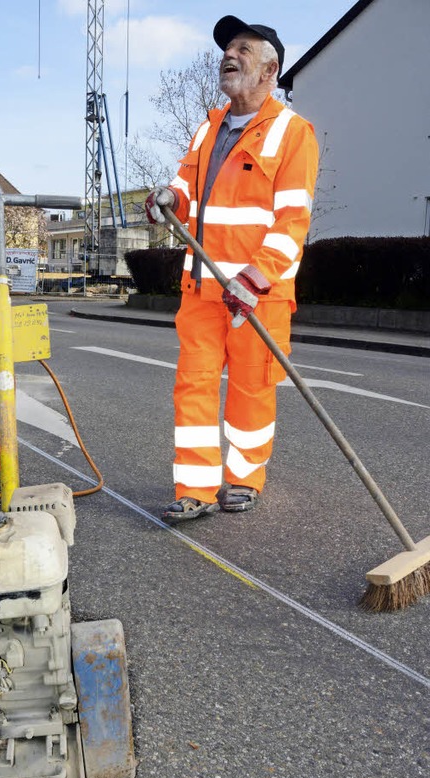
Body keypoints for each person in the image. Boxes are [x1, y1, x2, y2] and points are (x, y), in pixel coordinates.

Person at [146, 15, 319, 524]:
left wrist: (255, 277)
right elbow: (185, 188)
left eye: (243, 49)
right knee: (194, 386)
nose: (230, 55)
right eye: (227, 48)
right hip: (202, 288)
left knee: (250, 388)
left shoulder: (293, 133)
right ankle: (195, 487)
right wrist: (167, 200)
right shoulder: (209, 125)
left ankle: (244, 478)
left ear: (270, 68)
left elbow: (293, 223)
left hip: (256, 294)